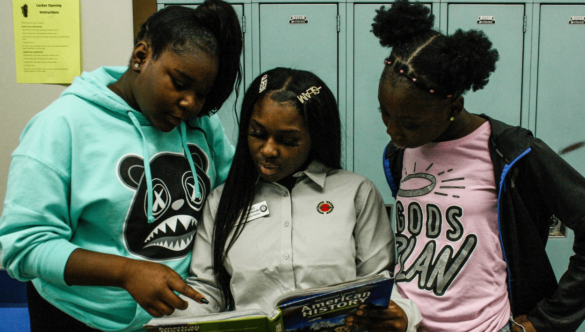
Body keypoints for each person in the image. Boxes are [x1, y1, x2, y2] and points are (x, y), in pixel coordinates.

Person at [0, 2, 242, 331]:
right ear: (141, 57)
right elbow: (23, 247)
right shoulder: (62, 125)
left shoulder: (200, 126)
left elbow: (232, 193)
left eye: (201, 94)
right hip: (80, 318)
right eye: (180, 83)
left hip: (178, 319)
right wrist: (126, 272)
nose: (190, 103)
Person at [347, 0, 585, 331]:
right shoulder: (398, 153)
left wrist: (547, 322)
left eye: (410, 122)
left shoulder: (510, 151)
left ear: (454, 106)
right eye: (384, 114)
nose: (393, 131)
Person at [167, 67, 422, 332]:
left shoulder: (357, 193)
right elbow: (208, 293)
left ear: (315, 137)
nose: (267, 150)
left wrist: (400, 315)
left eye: (288, 140)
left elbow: (378, 285)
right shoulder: (222, 202)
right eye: (257, 134)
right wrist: (175, 317)